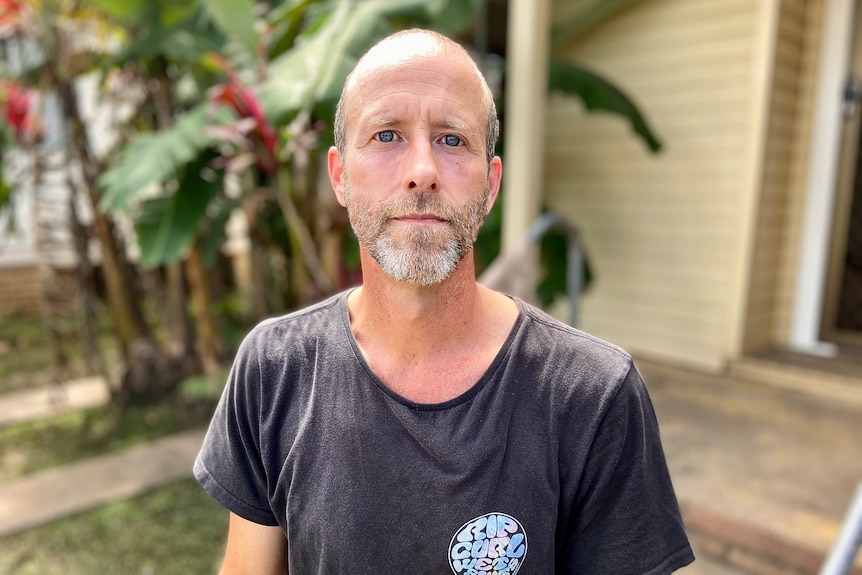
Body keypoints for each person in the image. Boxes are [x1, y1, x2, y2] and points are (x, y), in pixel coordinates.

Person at [194, 28, 695, 575]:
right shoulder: (273, 370)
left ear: (491, 184)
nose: (422, 172)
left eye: (452, 139)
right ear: (340, 176)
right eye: (387, 135)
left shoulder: (593, 397)